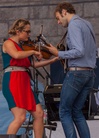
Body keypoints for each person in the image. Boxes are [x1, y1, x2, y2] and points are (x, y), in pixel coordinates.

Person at [46, 2, 97, 138]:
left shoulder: (74, 24)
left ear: (64, 12)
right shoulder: (87, 24)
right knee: (77, 111)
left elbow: (79, 50)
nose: (58, 22)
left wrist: (59, 54)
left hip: (77, 73)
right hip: (90, 73)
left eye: (58, 18)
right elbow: (89, 50)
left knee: (64, 111)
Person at [1, 18, 58, 138]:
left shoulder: (23, 47)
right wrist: (33, 51)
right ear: (18, 31)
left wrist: (52, 60)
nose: (29, 34)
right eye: (27, 31)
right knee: (20, 116)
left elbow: (32, 65)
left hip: (24, 81)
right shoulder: (8, 43)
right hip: (13, 80)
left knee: (39, 113)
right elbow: (16, 55)